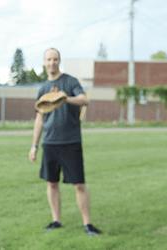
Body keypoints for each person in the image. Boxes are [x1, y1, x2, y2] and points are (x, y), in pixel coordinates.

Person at [28, 48, 102, 236]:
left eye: (55, 59)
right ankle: (56, 220)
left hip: (71, 141)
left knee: (79, 184)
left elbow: (84, 100)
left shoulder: (70, 82)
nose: (52, 62)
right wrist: (34, 146)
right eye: (49, 59)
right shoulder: (43, 89)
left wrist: (65, 98)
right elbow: (39, 119)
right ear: (44, 62)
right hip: (50, 143)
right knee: (52, 183)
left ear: (59, 61)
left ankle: (87, 224)